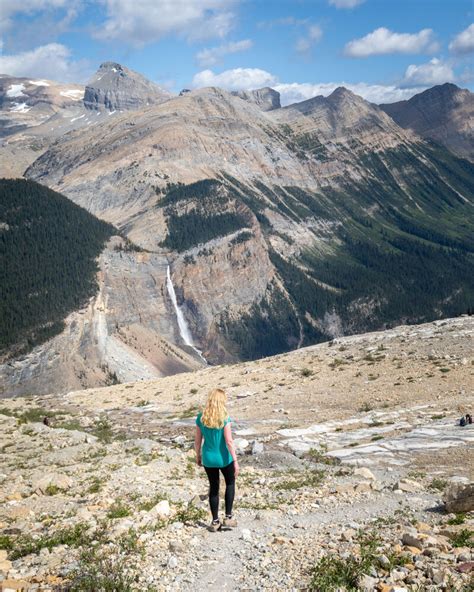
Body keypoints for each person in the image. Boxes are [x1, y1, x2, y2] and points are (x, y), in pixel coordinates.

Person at [195, 388, 240, 532]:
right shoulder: (225, 417)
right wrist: (235, 460)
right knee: (230, 483)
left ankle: (215, 521)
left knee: (213, 488)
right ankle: (228, 517)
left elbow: (197, 441)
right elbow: (229, 441)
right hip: (223, 458)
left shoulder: (201, 418)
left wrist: (198, 456)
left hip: (208, 458)